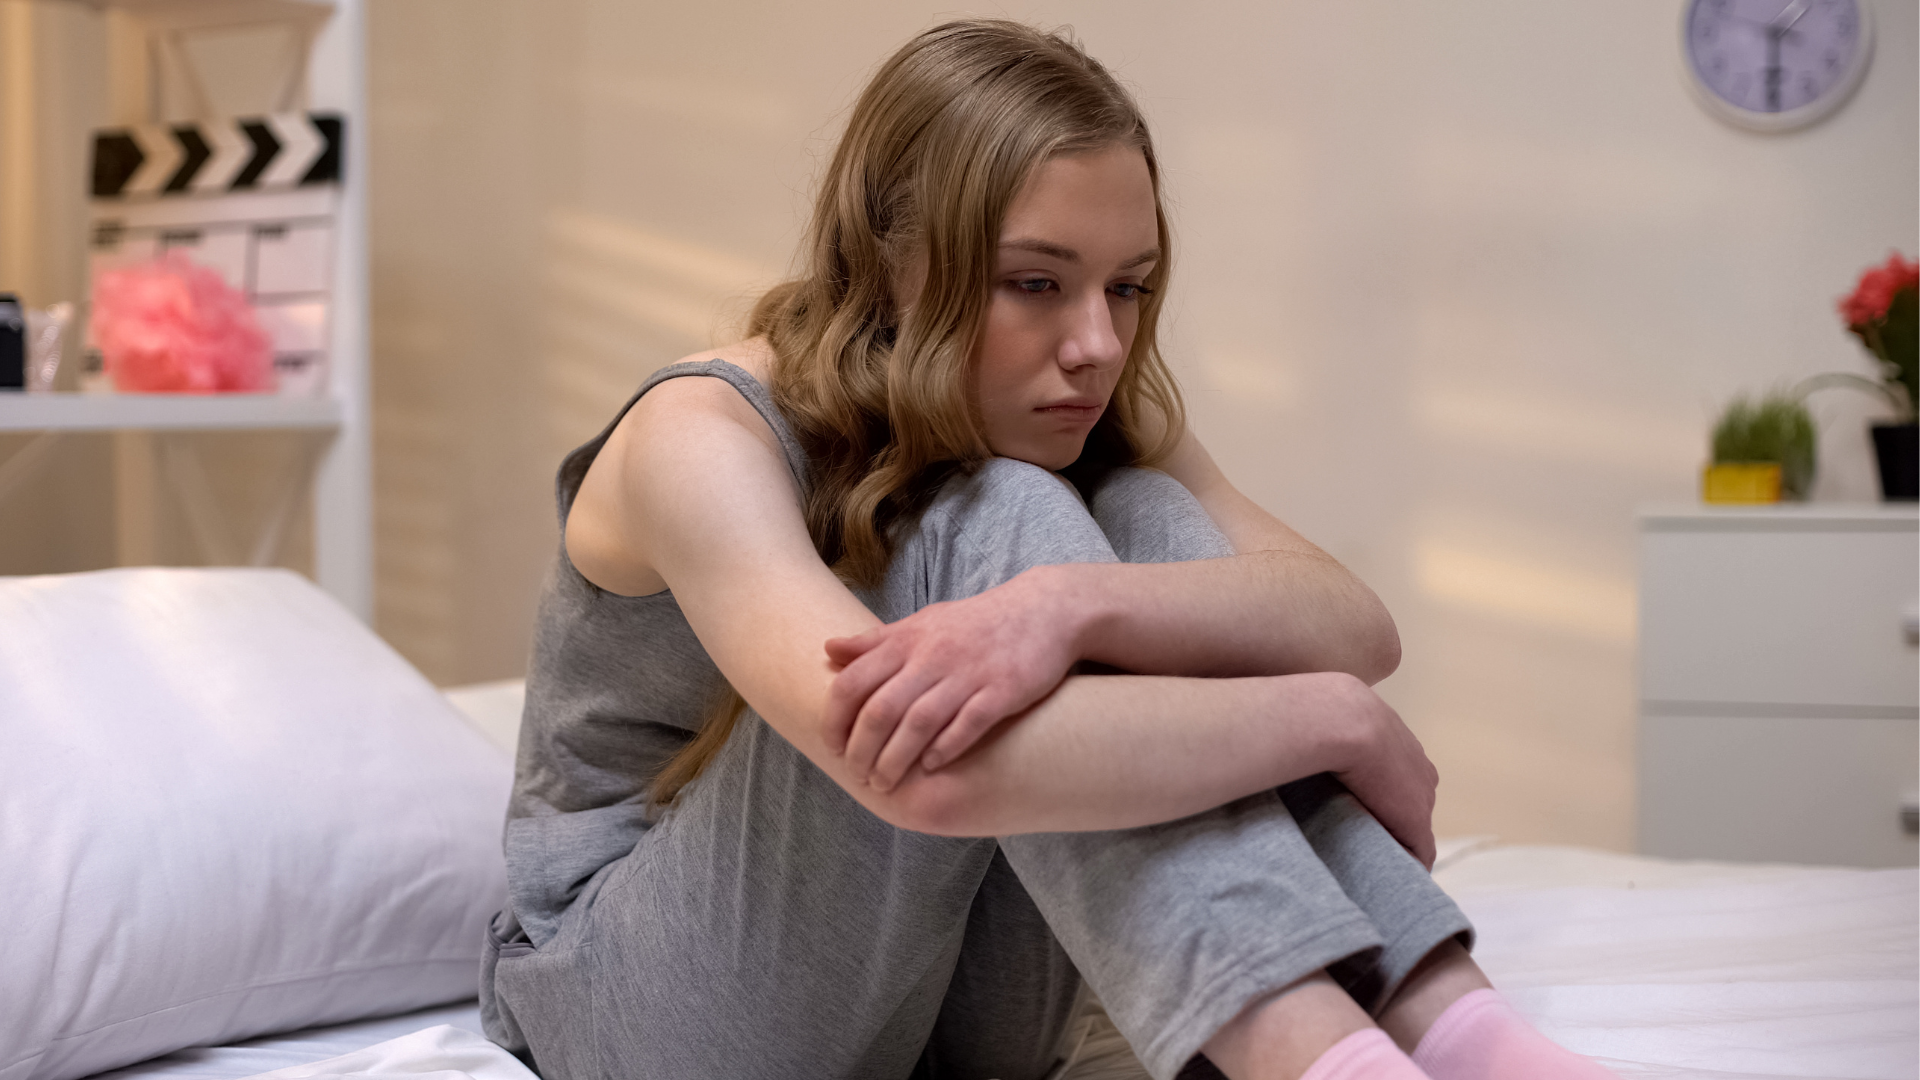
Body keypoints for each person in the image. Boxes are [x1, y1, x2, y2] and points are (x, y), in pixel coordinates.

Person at [480, 19, 1617, 1080]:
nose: (1098, 344)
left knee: (1153, 535)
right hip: (639, 992)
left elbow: (1351, 621)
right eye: (1036, 283)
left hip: (927, 994)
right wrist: (1332, 719)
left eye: (1127, 288)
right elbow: (915, 769)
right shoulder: (701, 436)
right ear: (889, 265)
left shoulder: (1084, 411)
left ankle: (1470, 1039)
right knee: (1001, 510)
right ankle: (1326, 1061)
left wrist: (1074, 606)